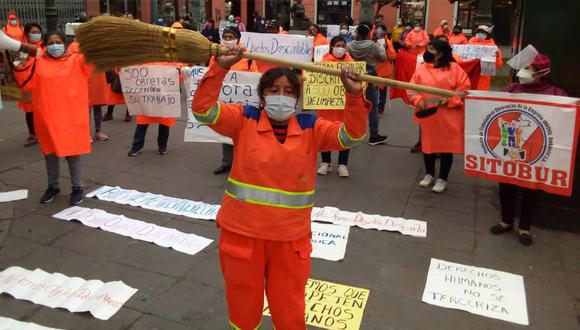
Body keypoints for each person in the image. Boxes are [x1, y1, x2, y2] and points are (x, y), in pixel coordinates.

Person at [191, 45, 369, 330]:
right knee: (243, 307)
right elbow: (203, 111)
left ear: (297, 98)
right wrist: (219, 68)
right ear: (262, 96)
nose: (281, 96)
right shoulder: (243, 119)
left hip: (290, 240)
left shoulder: (312, 127)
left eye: (288, 91)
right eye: (274, 90)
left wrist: (354, 95)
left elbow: (351, 136)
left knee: (289, 309)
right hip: (242, 236)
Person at [490, 53, 566, 246]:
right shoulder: (513, 88)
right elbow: (491, 104)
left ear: (541, 73)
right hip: (509, 146)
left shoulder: (555, 94)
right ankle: (506, 220)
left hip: (535, 152)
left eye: (528, 69)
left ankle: (525, 227)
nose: (522, 72)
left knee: (529, 190)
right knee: (505, 184)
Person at [32, 32, 92, 205]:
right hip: (47, 116)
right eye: (50, 42)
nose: (55, 45)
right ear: (45, 45)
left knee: (73, 154)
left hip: (70, 117)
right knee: (50, 154)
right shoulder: (39, 62)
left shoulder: (77, 60)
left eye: (58, 42)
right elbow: (24, 79)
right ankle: (53, 186)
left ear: (65, 44)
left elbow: (97, 63)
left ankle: (78, 187)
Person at [408, 39, 470, 193]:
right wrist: (418, 100)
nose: (427, 52)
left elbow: (464, 88)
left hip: (448, 114)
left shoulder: (454, 68)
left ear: (441, 53)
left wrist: (450, 99)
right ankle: (429, 174)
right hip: (429, 114)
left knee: (445, 147)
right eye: (427, 48)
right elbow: (410, 88)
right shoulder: (422, 68)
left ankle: (442, 178)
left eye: (431, 49)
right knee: (428, 146)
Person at [127, 23, 186, 157]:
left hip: (164, 94)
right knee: (143, 121)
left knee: (163, 122)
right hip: (149, 93)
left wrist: (179, 71)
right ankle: (137, 145)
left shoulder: (173, 53)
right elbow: (137, 66)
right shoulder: (147, 52)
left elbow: (181, 69)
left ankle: (162, 146)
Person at [210, 26, 259, 175]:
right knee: (225, 133)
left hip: (242, 103)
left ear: (238, 39)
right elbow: (211, 73)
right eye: (226, 37)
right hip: (225, 101)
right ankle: (227, 162)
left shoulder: (247, 57)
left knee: (243, 135)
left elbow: (255, 78)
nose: (228, 40)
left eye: (231, 37)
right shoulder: (216, 55)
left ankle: (242, 163)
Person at [316, 36, 355, 177]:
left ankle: (342, 164)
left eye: (343, 45)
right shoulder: (323, 63)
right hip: (326, 107)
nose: (340, 48)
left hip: (344, 107)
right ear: (331, 47)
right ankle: (325, 163)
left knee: (345, 134)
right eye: (338, 45)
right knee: (325, 133)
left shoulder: (352, 64)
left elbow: (360, 83)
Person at [346, 22, 388, 145]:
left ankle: (350, 135)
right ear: (369, 33)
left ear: (357, 33)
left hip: (353, 79)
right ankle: (374, 135)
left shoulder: (349, 45)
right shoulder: (372, 46)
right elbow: (383, 58)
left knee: (352, 107)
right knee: (373, 107)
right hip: (370, 79)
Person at [12, 23, 44, 147]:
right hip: (29, 85)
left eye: (38, 32)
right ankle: (32, 134)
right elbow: (18, 66)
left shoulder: (45, 47)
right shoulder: (24, 49)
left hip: (43, 86)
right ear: (27, 34)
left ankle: (44, 133)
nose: (36, 34)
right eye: (33, 32)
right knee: (30, 111)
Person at [373, 23, 397, 117]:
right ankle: (372, 108)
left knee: (382, 93)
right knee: (372, 93)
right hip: (374, 72)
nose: (379, 31)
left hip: (384, 72)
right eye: (377, 29)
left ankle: (380, 109)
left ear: (384, 31)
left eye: (381, 30)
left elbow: (393, 56)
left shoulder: (388, 43)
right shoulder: (373, 41)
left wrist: (386, 48)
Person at [469, 25, 503, 90]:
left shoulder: (493, 47)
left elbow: (499, 64)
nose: (480, 34)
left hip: (483, 79)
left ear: (487, 34)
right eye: (479, 32)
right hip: (470, 76)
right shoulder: (469, 44)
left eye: (483, 32)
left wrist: (497, 57)